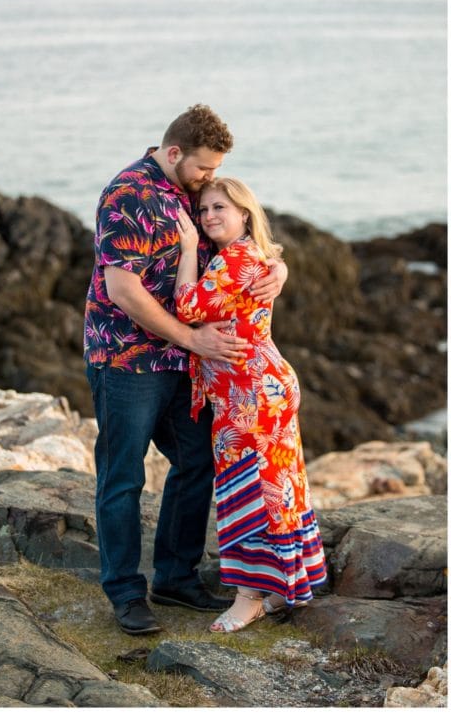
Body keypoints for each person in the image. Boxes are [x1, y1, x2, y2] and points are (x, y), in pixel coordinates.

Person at [83, 104, 288, 636]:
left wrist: (279, 268)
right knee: (123, 474)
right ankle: (126, 592)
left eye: (214, 171)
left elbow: (241, 230)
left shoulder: (190, 189)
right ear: (173, 153)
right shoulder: (128, 194)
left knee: (198, 459)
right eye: (203, 168)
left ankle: (175, 575)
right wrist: (191, 336)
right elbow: (122, 290)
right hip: (128, 356)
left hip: (184, 362)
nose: (209, 180)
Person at [174, 178, 327, 632]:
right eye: (202, 211)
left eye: (220, 207)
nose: (207, 217)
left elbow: (187, 306)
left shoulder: (237, 255)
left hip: (251, 394)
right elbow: (269, 262)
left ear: (244, 213)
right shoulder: (245, 254)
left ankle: (249, 597)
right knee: (277, 487)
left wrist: (185, 249)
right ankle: (284, 585)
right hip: (256, 387)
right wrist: (279, 267)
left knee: (251, 493)